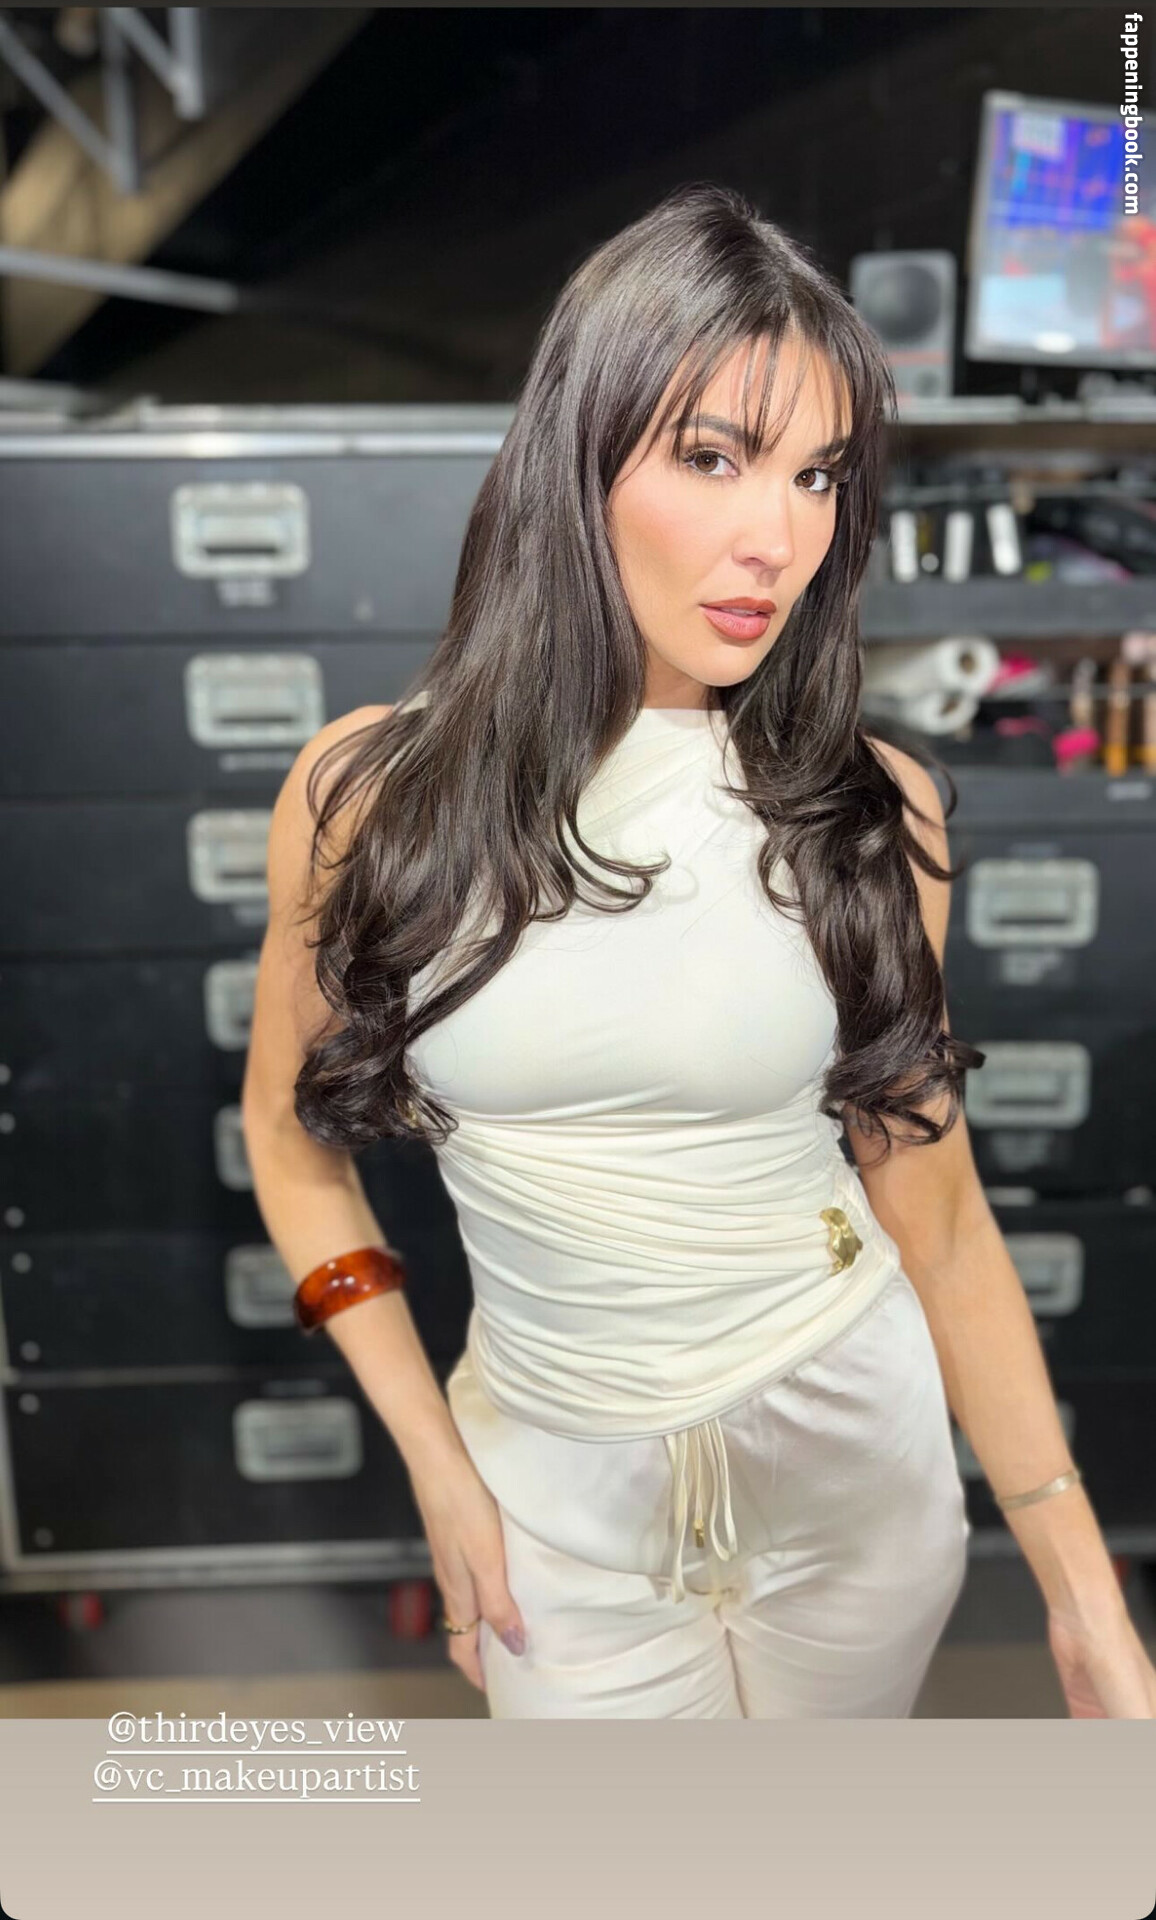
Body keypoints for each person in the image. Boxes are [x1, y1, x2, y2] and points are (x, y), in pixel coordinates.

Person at [242, 183, 1156, 1719]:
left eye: (818, 475)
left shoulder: (875, 812)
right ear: (580, 457)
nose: (776, 538)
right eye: (715, 457)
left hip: (856, 1485)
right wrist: (436, 1463)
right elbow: (289, 1144)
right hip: (548, 1504)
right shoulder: (369, 795)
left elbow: (937, 1222)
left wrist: (1084, 1597)